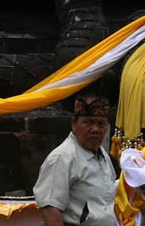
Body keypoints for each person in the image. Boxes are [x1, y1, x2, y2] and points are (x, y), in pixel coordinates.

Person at [33, 93, 118, 226]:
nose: (95, 129)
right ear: (74, 124)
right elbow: (50, 209)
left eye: (101, 124)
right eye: (88, 123)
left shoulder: (103, 156)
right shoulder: (62, 158)